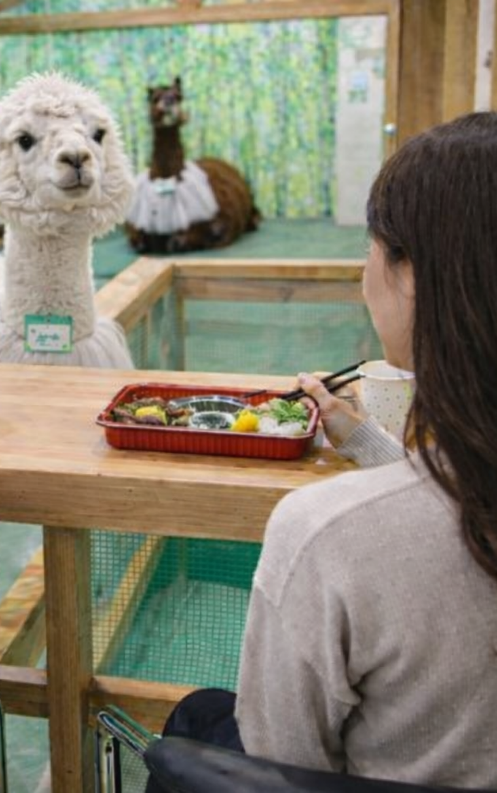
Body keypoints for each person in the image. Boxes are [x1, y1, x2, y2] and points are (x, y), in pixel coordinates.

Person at [148, 111, 497, 791]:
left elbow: (279, 759)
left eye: (373, 246)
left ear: (410, 273)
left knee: (198, 715)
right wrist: (366, 443)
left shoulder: (324, 533)